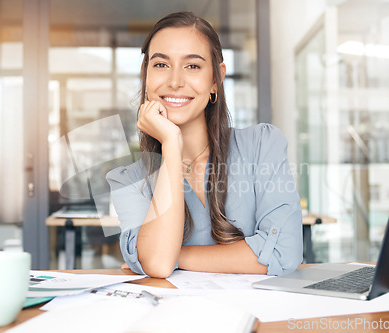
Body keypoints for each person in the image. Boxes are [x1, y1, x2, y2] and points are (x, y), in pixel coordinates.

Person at [106, 11, 302, 278]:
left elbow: (284, 254)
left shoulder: (262, 145)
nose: (174, 81)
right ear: (146, 77)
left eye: (192, 66)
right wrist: (171, 145)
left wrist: (174, 254)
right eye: (161, 65)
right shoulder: (128, 180)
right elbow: (159, 266)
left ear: (215, 80)